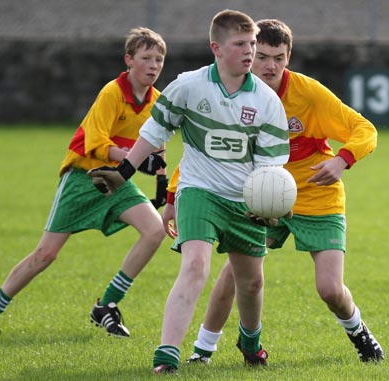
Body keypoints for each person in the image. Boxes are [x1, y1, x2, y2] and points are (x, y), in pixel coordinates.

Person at [87, 9, 290, 374]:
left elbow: (270, 166)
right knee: (195, 264)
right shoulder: (189, 86)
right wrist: (126, 170)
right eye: (241, 44)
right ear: (216, 47)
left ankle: (250, 339)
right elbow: (155, 131)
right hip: (199, 191)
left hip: (244, 202)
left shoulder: (266, 102)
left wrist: (267, 202)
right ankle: (167, 354)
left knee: (251, 281)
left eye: (253, 44)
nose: (250, 52)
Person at [178, 19, 384, 364]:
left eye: (279, 57)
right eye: (263, 57)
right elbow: (206, 150)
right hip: (261, 199)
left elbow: (364, 128)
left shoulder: (308, 93)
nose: (270, 65)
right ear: (249, 53)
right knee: (234, 276)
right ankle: (203, 350)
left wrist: (342, 160)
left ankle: (357, 330)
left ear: (289, 57)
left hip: (318, 195)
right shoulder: (231, 94)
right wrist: (173, 196)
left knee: (330, 289)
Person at [0, 27, 168, 338]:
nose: (154, 65)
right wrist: (132, 158)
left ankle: (107, 305)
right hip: (82, 178)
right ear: (129, 60)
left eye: (159, 59)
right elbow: (95, 140)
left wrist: (158, 179)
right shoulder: (112, 92)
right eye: (146, 58)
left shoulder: (156, 101)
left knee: (155, 230)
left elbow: (158, 145)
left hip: (116, 180)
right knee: (45, 255)